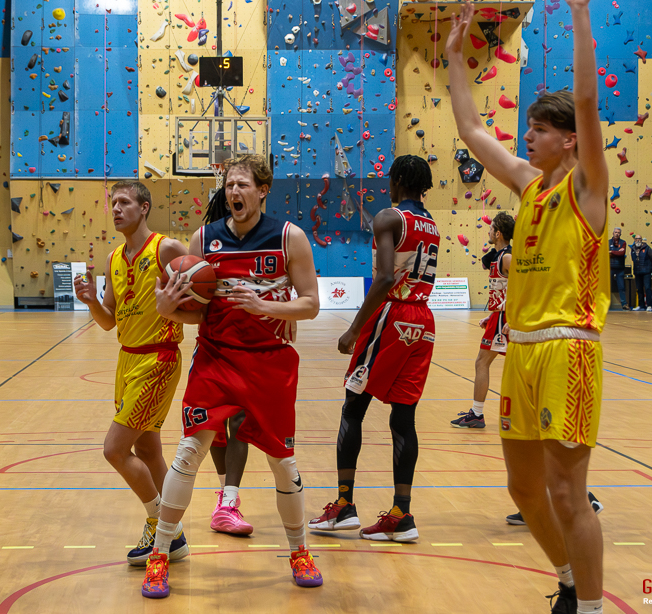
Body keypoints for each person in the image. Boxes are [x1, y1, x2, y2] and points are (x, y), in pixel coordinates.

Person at [448, 0, 609, 614]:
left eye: (540, 129)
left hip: (568, 348)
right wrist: (456, 59)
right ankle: (570, 578)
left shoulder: (586, 187)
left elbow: (591, 105)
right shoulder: (530, 186)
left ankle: (592, 606)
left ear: (568, 140)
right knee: (523, 489)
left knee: (569, 493)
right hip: (523, 350)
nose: (528, 136)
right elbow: (471, 132)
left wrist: (577, 14)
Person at [140, 155, 325, 597]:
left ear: (262, 190)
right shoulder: (204, 238)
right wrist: (169, 309)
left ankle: (299, 551)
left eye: (242, 184)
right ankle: (160, 555)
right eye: (228, 186)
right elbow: (193, 311)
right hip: (217, 359)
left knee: (283, 462)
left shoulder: (289, 237)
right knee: (188, 452)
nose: (233, 192)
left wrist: (267, 307)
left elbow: (312, 303)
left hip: (270, 363)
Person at [308, 155, 438, 543]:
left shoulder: (389, 217)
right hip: (423, 321)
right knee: (403, 419)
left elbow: (383, 277)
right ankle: (402, 514)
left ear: (397, 180)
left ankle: (344, 506)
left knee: (353, 407)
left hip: (393, 315)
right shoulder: (429, 222)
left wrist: (354, 328)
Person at [72, 181, 189, 566]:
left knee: (114, 450)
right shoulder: (114, 259)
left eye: (124, 202)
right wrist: (91, 301)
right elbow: (107, 321)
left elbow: (200, 296)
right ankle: (176, 538)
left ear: (144, 207)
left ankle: (161, 525)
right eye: (113, 202)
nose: (116, 208)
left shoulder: (168, 249)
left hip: (159, 358)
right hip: (127, 359)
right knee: (147, 449)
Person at [451, 212, 514, 429]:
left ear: (498, 233)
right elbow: (504, 290)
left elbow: (525, 288)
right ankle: (477, 413)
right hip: (499, 316)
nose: (487, 232)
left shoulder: (508, 257)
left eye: (490, 229)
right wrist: (493, 314)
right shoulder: (500, 256)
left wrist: (512, 317)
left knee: (482, 362)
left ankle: (477, 414)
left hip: (507, 318)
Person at [630, 235, 652, 311]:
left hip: (646, 271)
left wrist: (648, 266)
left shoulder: (647, 248)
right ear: (634, 240)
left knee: (647, 288)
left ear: (641, 240)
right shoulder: (633, 248)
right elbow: (633, 259)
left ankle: (649, 306)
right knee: (639, 289)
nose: (638, 240)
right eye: (636, 239)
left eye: (639, 239)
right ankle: (641, 305)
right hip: (637, 271)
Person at [608, 228, 628, 309]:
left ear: (620, 234)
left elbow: (622, 253)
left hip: (620, 268)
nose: (617, 234)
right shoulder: (608, 242)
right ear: (613, 233)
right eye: (615, 232)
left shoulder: (623, 242)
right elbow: (605, 252)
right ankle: (606, 304)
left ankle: (624, 304)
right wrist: (616, 252)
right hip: (610, 267)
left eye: (618, 233)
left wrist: (611, 252)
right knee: (608, 286)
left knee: (621, 287)